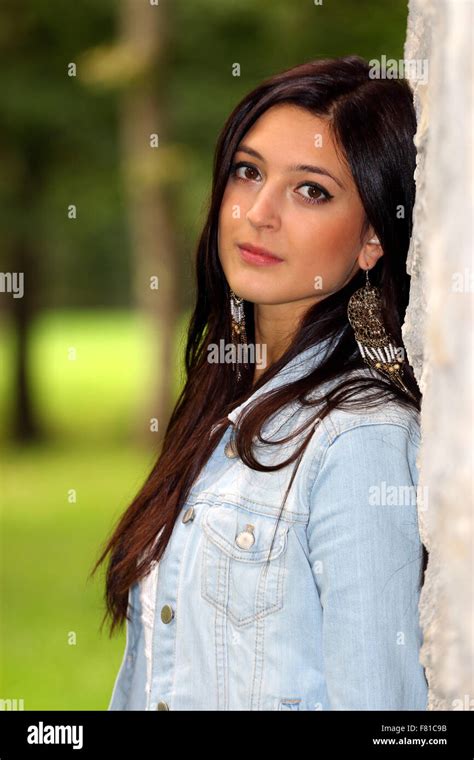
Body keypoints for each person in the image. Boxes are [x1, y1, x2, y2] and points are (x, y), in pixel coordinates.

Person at [92, 55, 429, 711]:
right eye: (248, 173)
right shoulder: (220, 411)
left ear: (372, 240)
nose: (258, 213)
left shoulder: (359, 441)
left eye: (312, 191)